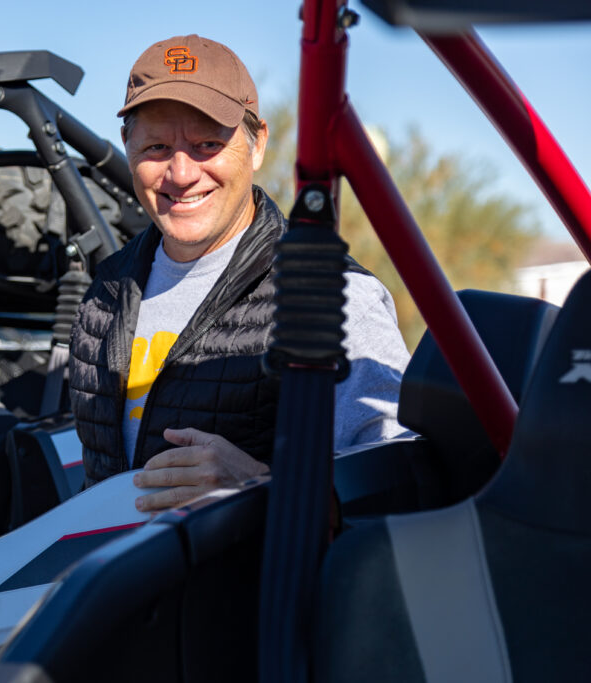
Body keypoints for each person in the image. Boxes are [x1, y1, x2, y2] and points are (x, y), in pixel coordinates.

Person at [68, 34, 410, 512]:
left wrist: (259, 486)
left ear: (257, 145)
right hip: (115, 586)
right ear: (128, 148)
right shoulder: (105, 292)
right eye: (158, 146)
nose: (181, 173)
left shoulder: (333, 298)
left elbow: (397, 485)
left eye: (208, 143)